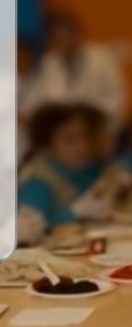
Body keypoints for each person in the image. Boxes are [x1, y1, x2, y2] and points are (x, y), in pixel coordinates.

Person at [16, 103, 119, 243]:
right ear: (47, 144)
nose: (82, 147)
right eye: (69, 140)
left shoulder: (71, 170)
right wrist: (75, 212)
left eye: (84, 137)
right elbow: (29, 231)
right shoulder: (37, 183)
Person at [22, 11, 127, 124]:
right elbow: (36, 98)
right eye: (56, 38)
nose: (63, 42)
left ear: (77, 34)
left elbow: (115, 99)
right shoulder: (48, 62)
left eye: (65, 37)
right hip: (58, 126)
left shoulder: (100, 59)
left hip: (95, 124)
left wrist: (91, 119)